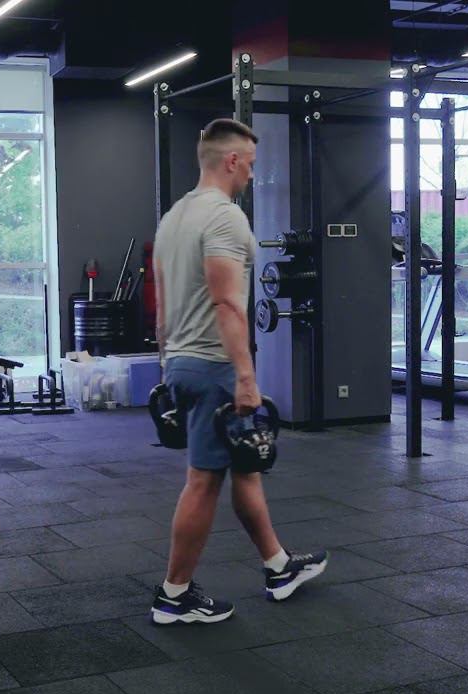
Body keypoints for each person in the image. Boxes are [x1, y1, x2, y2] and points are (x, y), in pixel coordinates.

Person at [150, 118, 328, 625]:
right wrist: (246, 377)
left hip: (183, 360)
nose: (252, 173)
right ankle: (174, 595)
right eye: (249, 163)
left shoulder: (174, 217)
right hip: (214, 365)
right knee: (203, 482)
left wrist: (167, 363)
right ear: (231, 161)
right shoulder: (225, 218)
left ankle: (278, 567)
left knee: (245, 467)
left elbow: (162, 304)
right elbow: (227, 302)